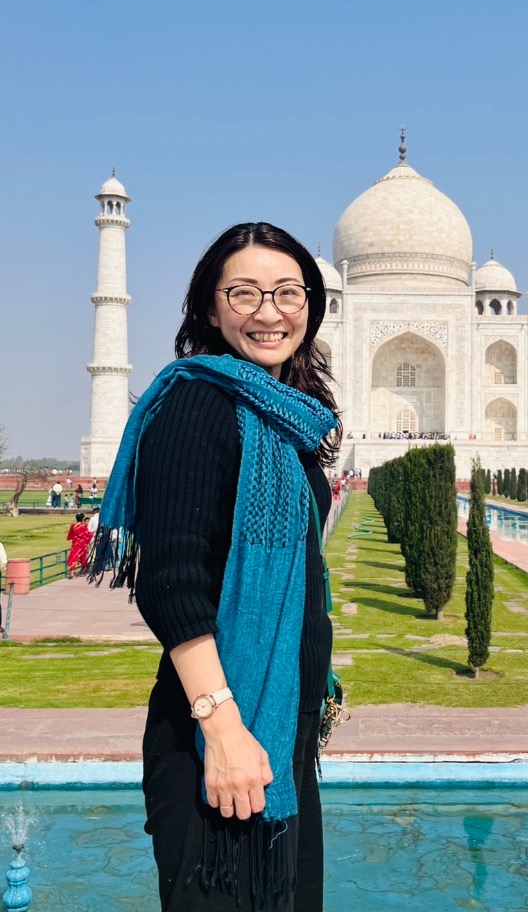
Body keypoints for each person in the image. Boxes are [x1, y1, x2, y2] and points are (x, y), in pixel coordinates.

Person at [88, 223, 340, 912]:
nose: (269, 311)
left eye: (288, 292)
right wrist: (222, 730)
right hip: (217, 732)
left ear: (312, 305)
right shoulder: (197, 402)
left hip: (276, 729)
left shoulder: (285, 418)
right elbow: (171, 583)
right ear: (208, 306)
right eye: (245, 293)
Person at [66, 512, 91, 578]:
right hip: (83, 544)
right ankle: (83, 572)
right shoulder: (84, 526)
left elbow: (70, 535)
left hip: (75, 544)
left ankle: (72, 573)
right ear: (83, 519)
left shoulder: (73, 526)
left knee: (73, 558)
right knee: (83, 558)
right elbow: (88, 535)